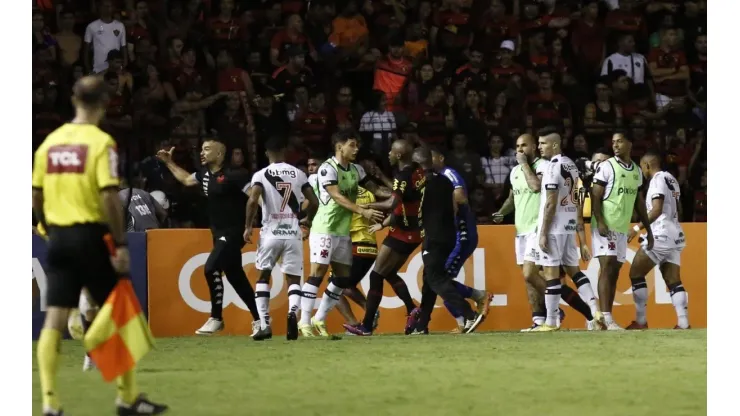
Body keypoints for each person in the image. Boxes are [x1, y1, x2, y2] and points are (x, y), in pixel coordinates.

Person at [32, 76, 167, 415]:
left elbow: (35, 193)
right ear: (104, 104)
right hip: (90, 237)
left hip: (59, 238)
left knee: (54, 319)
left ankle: (49, 403)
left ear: (73, 99)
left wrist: (46, 224)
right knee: (121, 311)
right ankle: (127, 396)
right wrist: (120, 243)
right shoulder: (100, 142)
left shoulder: (50, 143)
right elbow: (109, 196)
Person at [156, 139, 262, 336]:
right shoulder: (204, 173)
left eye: (206, 149)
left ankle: (216, 318)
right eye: (201, 150)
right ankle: (260, 320)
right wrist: (169, 163)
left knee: (211, 267)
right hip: (218, 233)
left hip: (233, 232)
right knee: (236, 277)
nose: (202, 153)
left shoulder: (235, 175)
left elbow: (255, 197)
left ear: (220, 154)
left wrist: (264, 221)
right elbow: (187, 179)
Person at [494, 134, 599, 331]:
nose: (520, 150)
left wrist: (525, 164)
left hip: (539, 228)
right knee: (532, 279)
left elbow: (535, 187)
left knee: (535, 274)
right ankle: (541, 319)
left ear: (534, 147)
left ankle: (562, 315)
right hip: (522, 231)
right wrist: (501, 212)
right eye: (517, 146)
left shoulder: (545, 166)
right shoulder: (515, 171)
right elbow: (512, 197)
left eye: (524, 145)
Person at [299, 130, 386, 337]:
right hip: (324, 229)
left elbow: (375, 190)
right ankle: (303, 323)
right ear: (340, 146)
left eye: (357, 145)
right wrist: (363, 210)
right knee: (317, 274)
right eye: (352, 145)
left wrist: (398, 193)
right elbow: (337, 196)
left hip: (342, 232)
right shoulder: (326, 169)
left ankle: (318, 318)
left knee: (341, 278)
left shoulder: (356, 170)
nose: (356, 149)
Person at [344, 139, 428, 336]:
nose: (388, 153)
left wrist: (366, 207)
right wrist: (381, 176)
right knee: (388, 273)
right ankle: (412, 309)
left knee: (376, 275)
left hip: (403, 232)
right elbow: (401, 192)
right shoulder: (417, 170)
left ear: (398, 155)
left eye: (391, 151)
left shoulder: (404, 174)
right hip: (414, 230)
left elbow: (391, 202)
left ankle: (366, 326)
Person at [410, 147, 492, 334]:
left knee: (437, 278)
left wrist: (442, 221)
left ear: (440, 157)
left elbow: (459, 198)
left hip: (455, 234)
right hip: (449, 234)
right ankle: (425, 325)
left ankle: (472, 307)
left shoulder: (446, 176)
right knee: (433, 278)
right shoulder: (439, 180)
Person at [244, 137, 319, 341]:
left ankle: (265, 324)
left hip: (270, 232)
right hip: (292, 232)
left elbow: (252, 200)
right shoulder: (299, 173)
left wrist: (248, 226)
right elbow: (314, 201)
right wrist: (306, 221)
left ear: (267, 153)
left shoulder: (261, 174)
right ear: (285, 151)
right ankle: (292, 312)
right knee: (294, 279)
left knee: (263, 276)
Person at [525, 131, 590, 332]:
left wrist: (543, 231)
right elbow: (578, 194)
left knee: (550, 274)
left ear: (554, 145)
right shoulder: (570, 164)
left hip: (551, 226)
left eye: (542, 143)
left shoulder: (552, 166)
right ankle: (594, 312)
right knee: (547, 273)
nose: (539, 146)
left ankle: (551, 320)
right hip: (563, 225)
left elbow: (550, 201)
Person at [591, 132, 654, 330]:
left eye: (620, 141)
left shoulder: (636, 171)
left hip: (621, 227)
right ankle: (606, 317)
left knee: (615, 270)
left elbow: (639, 203)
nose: (615, 145)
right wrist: (600, 221)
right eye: (613, 142)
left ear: (630, 144)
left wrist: (649, 231)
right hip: (605, 225)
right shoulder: (607, 166)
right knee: (608, 265)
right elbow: (595, 196)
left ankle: (603, 319)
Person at [626, 151, 689, 330]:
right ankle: (683, 323)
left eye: (641, 167)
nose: (642, 171)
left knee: (636, 273)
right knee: (673, 280)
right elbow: (679, 208)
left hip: (661, 233)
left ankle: (641, 321)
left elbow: (656, 209)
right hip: (675, 233)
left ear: (647, 165)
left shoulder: (657, 180)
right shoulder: (672, 178)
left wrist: (637, 228)